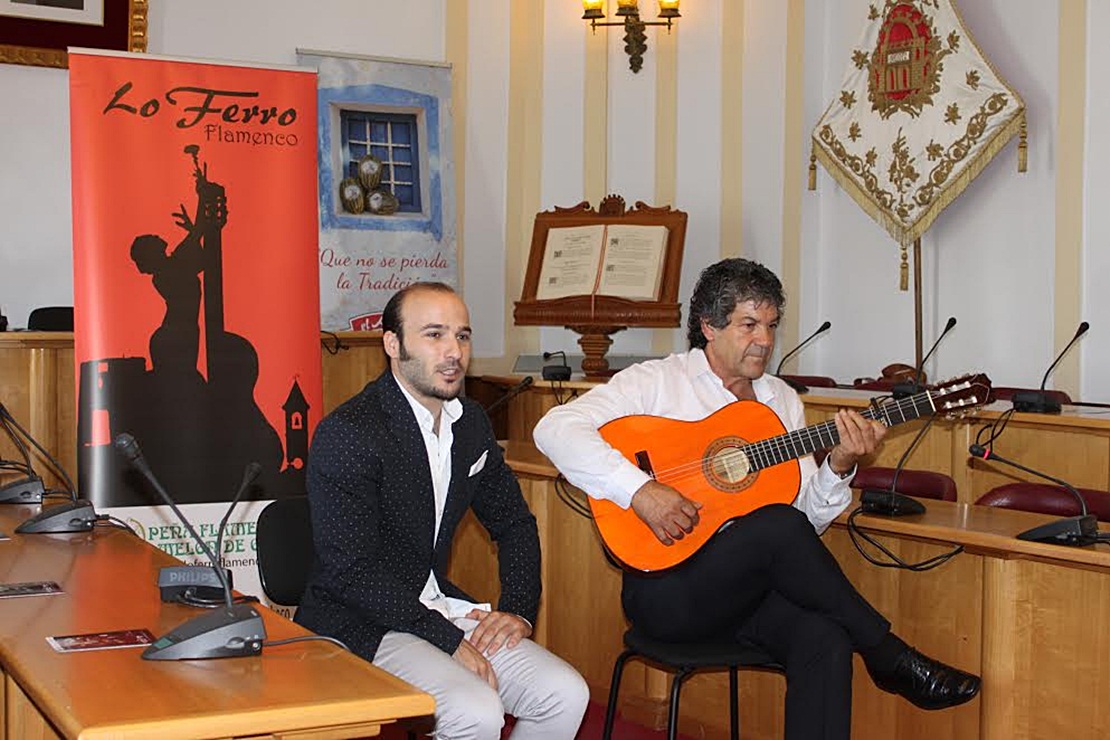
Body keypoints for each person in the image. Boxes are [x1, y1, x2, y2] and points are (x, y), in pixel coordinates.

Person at [533, 258, 980, 740]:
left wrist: (840, 465)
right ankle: (888, 654)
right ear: (709, 326)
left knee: (824, 636)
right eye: (749, 325)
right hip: (666, 593)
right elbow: (553, 428)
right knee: (774, 526)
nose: (764, 340)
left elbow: (804, 525)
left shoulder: (781, 401)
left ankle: (882, 655)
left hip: (749, 596)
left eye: (770, 325)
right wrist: (640, 490)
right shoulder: (655, 383)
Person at [296, 282, 589, 739]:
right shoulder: (350, 432)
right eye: (434, 335)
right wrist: (446, 639)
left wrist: (517, 611)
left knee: (565, 694)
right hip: (359, 619)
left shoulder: (469, 422)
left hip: (435, 607)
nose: (453, 351)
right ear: (393, 344)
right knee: (475, 709)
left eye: (463, 336)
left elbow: (514, 523)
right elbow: (351, 571)